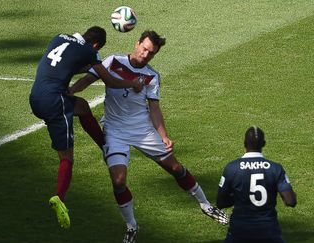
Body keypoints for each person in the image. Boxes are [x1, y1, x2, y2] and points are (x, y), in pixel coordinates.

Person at [70, 30, 228, 243]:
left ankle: (206, 205)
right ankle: (132, 226)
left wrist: (164, 136)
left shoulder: (152, 76)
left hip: (142, 130)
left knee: (175, 168)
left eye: (151, 53)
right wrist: (69, 93)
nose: (145, 55)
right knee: (118, 181)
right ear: (137, 44)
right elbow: (87, 80)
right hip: (115, 130)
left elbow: (154, 109)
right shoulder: (112, 61)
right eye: (144, 49)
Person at [29, 26, 143, 229]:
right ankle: (59, 198)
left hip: (36, 96)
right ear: (97, 45)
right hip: (55, 102)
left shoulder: (59, 37)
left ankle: (104, 145)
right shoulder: (90, 52)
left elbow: (66, 63)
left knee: (81, 106)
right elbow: (108, 80)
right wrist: (131, 83)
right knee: (66, 157)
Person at [217, 126, 297, 243]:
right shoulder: (276, 169)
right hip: (268, 231)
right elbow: (290, 201)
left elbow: (221, 202)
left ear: (244, 143)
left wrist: (239, 197)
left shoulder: (231, 168)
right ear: (264, 143)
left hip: (239, 231)